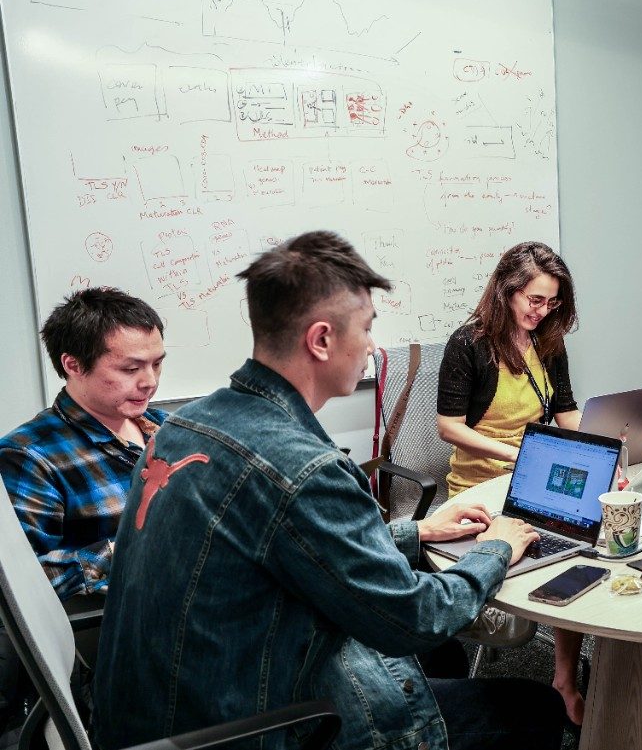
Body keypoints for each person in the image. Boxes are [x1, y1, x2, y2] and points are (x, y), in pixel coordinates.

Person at [94, 231, 564, 750]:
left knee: (441, 663)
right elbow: (418, 618)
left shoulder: (186, 427)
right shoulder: (305, 468)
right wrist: (497, 547)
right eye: (365, 330)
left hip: (159, 719)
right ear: (321, 340)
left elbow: (289, 543)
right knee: (536, 707)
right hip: (247, 726)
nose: (371, 347)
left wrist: (418, 532)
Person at [0, 287, 166, 733]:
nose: (149, 380)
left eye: (156, 363)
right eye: (130, 368)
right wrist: (136, 544)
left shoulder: (165, 428)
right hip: (119, 636)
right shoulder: (30, 455)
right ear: (72, 364)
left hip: (189, 601)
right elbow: (28, 582)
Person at [435, 241, 587, 724]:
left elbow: (565, 410)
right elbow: (449, 427)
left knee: (578, 538)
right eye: (535, 300)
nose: (543, 312)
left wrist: (600, 452)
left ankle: (564, 676)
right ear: (507, 292)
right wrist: (512, 455)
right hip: (479, 486)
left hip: (536, 473)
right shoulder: (468, 344)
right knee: (543, 543)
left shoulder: (547, 341)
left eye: (552, 302)